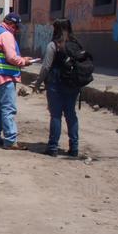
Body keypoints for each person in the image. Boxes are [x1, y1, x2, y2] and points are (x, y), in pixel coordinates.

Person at [0, 12, 36, 150]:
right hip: (6, 76)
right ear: (12, 25)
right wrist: (24, 61)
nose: (17, 30)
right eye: (16, 27)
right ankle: (10, 140)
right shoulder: (7, 35)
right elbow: (11, 58)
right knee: (9, 108)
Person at [32, 18, 80, 157]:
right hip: (72, 85)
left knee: (56, 116)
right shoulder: (76, 43)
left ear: (55, 29)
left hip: (55, 85)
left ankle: (52, 147)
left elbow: (46, 66)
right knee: (71, 115)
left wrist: (38, 83)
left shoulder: (54, 45)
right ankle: (74, 148)